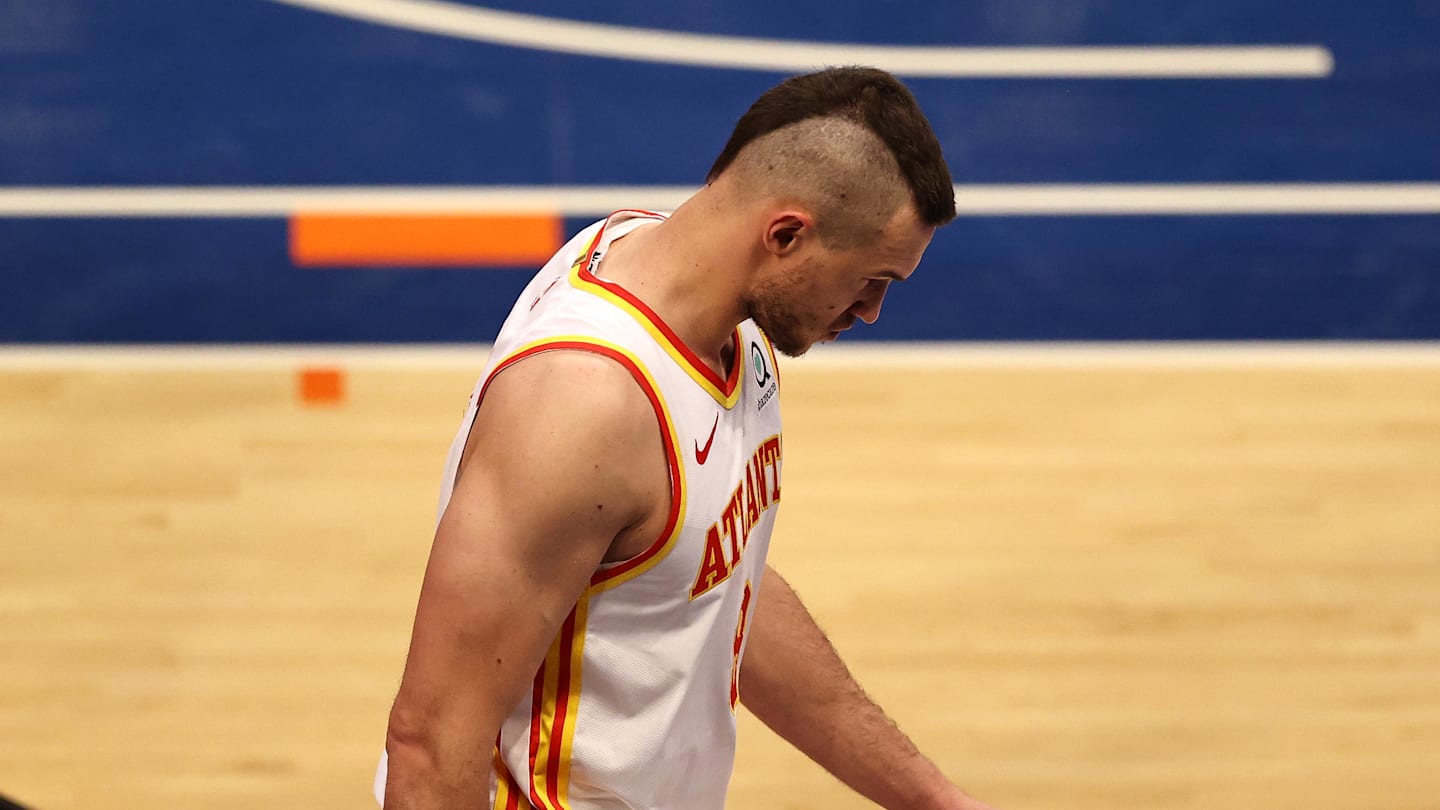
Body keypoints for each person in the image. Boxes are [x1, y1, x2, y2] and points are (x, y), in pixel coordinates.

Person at [376, 66, 997, 810]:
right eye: (871, 279)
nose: (870, 311)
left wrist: (933, 798)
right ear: (787, 234)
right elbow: (429, 742)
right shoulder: (586, 411)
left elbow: (711, 577)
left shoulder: (709, 299)